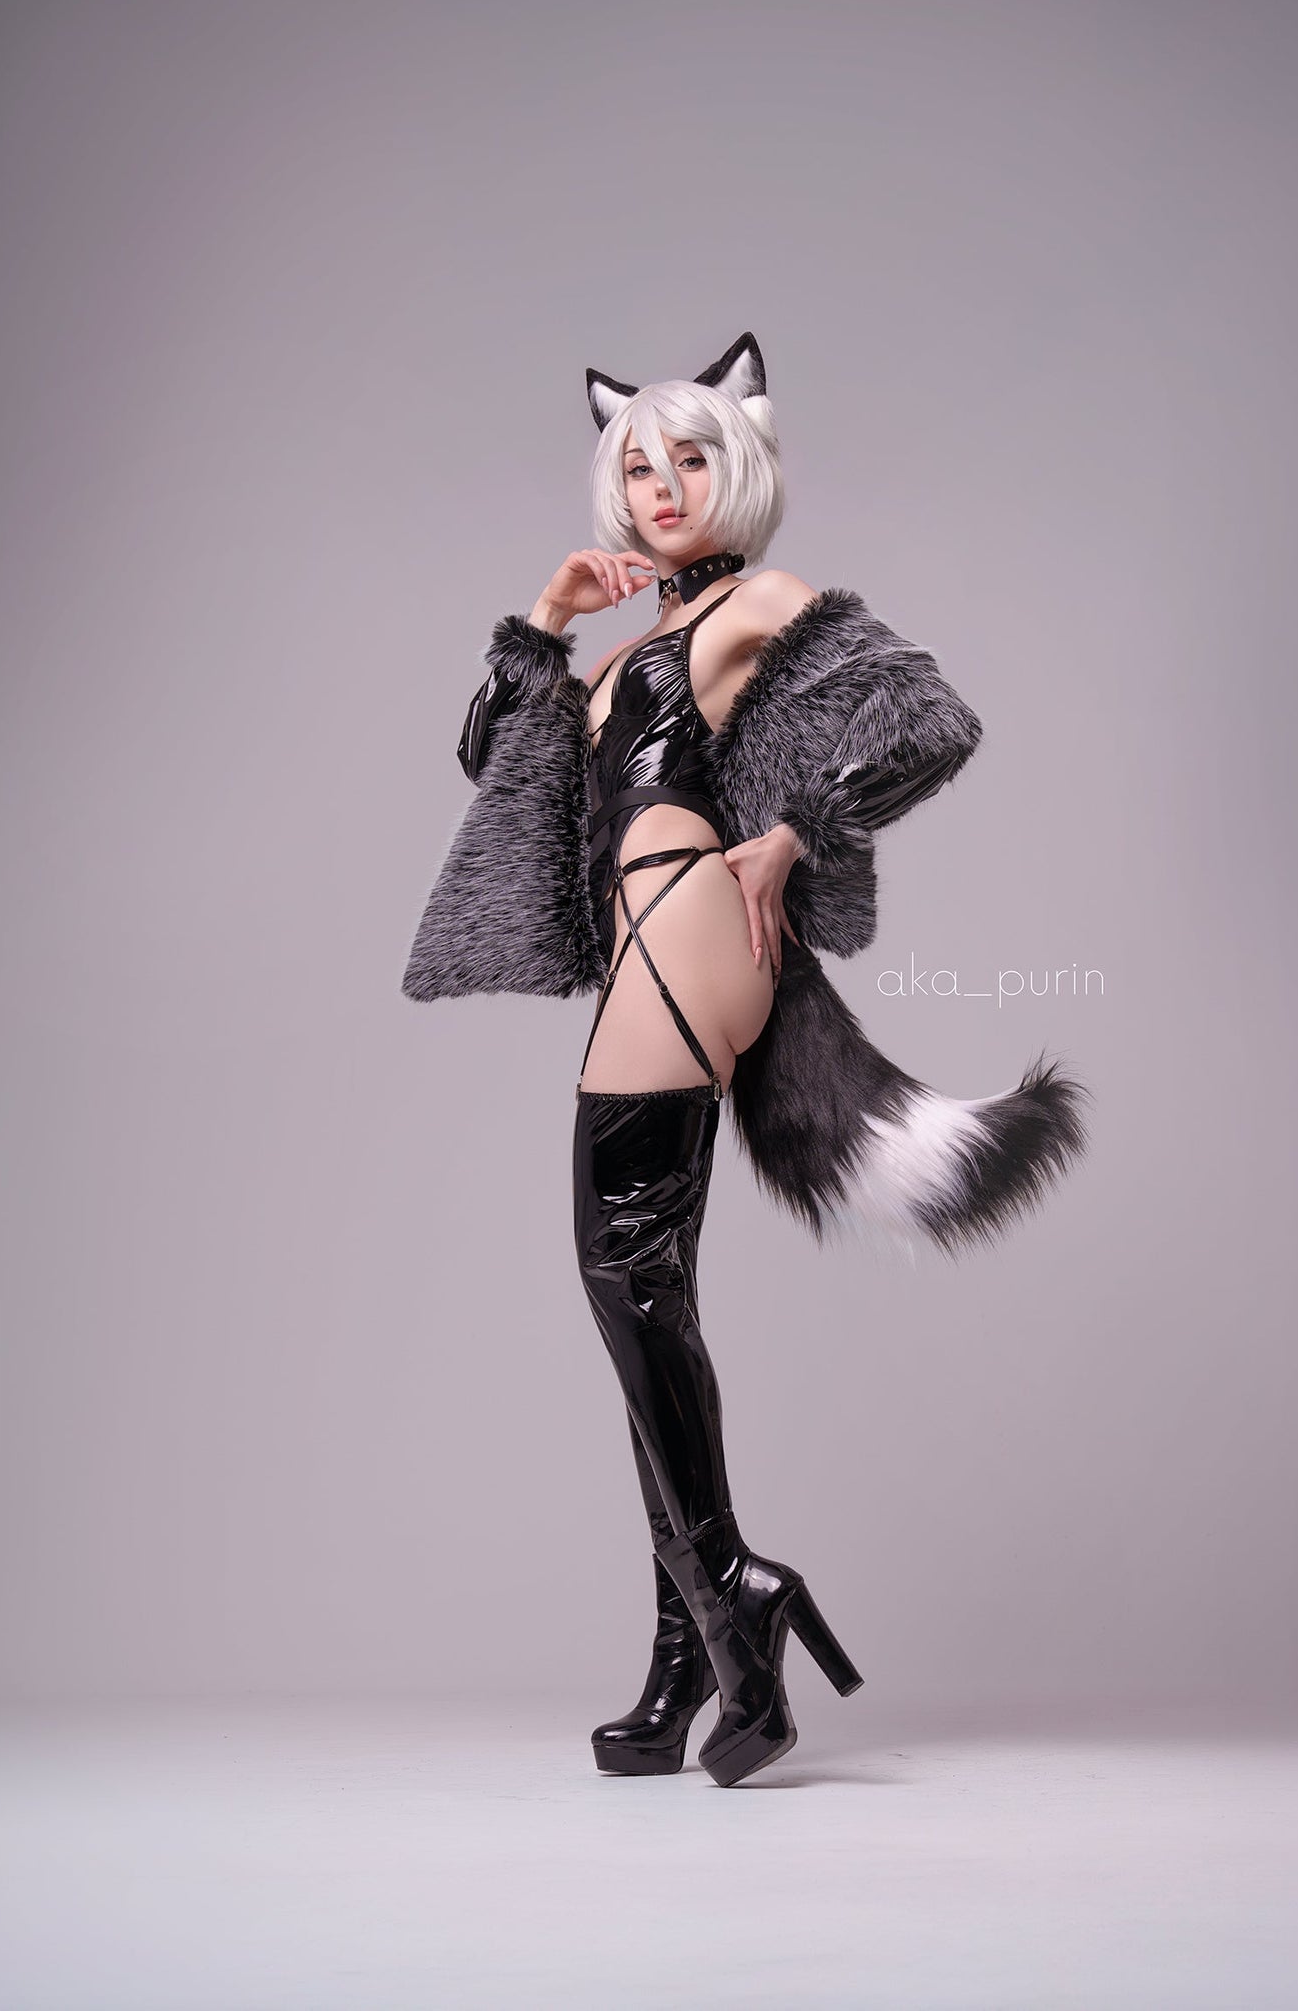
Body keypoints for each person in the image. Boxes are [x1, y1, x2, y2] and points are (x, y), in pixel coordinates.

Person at [403, 332, 1088, 1786]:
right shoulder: (624, 650)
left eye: (692, 457)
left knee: (620, 1271)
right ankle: (686, 1661)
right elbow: (490, 767)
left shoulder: (755, 604)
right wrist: (545, 620)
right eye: (638, 465)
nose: (663, 486)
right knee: (645, 1297)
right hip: (652, 938)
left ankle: (736, 1594)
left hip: (689, 924)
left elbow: (932, 722)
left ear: (744, 465)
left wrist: (794, 833)